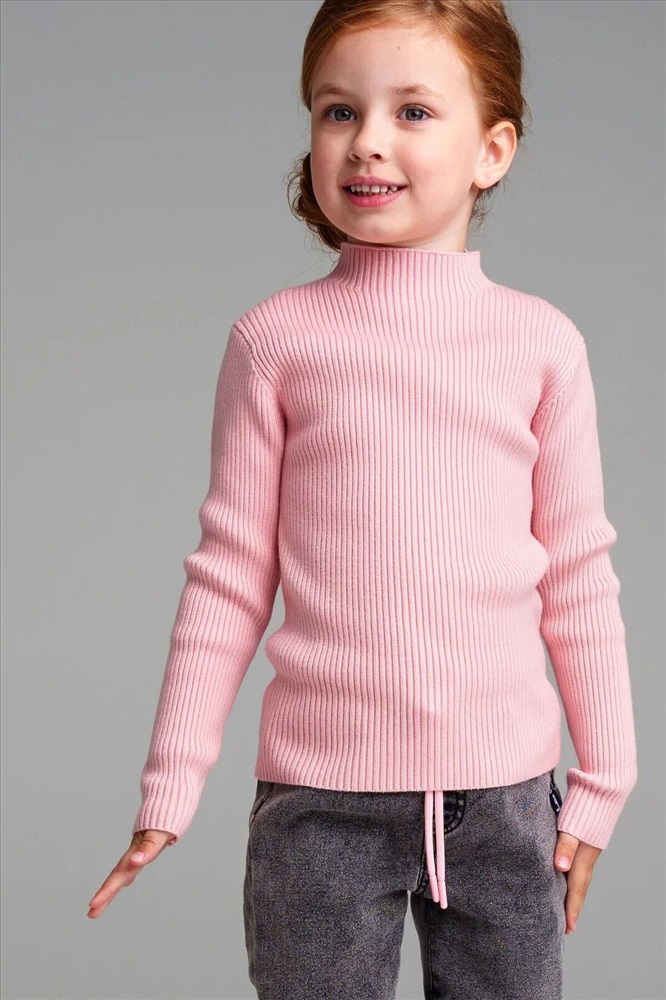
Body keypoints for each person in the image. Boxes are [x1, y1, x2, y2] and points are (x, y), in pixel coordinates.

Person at [87, 1, 638, 997]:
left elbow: (577, 576)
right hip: (319, 810)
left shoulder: (542, 345)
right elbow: (229, 578)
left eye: (412, 111)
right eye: (337, 110)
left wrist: (603, 783)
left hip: (505, 803)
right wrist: (169, 786)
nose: (367, 140)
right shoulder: (276, 341)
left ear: (493, 150)